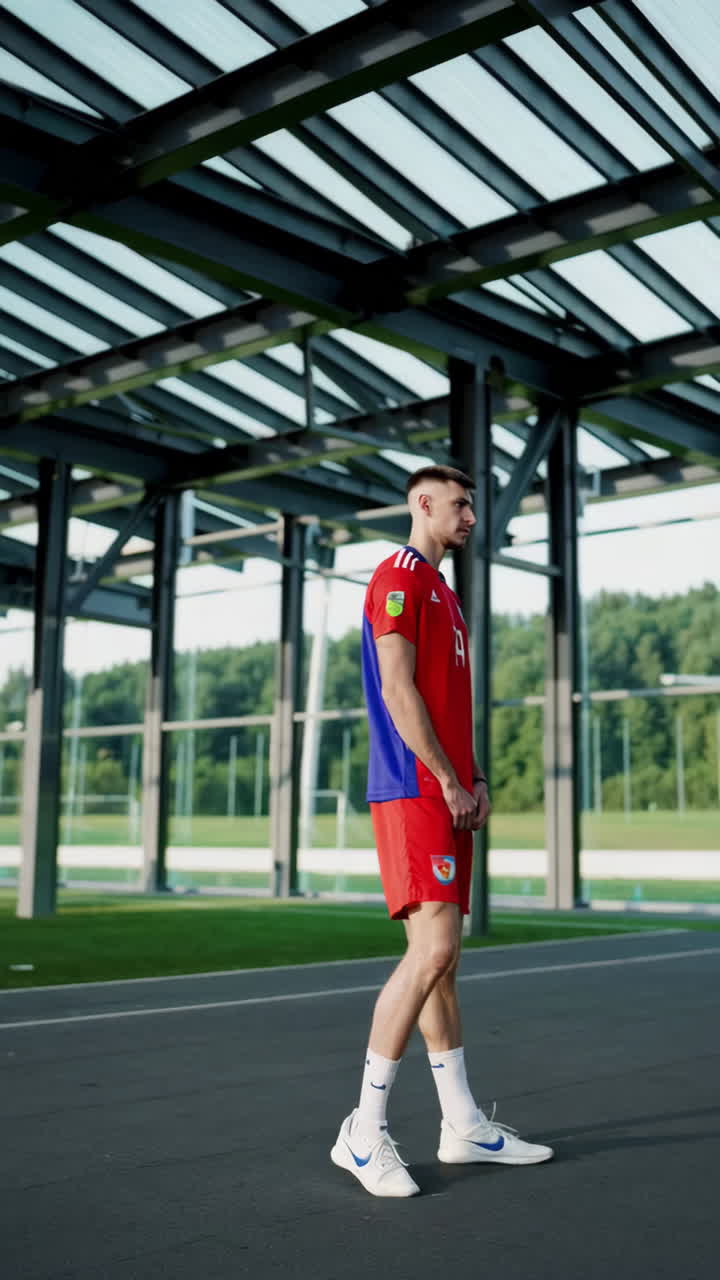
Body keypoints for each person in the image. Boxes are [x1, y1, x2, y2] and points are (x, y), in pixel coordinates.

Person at [331, 465, 553, 1197]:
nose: (470, 518)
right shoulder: (397, 577)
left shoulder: (445, 594)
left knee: (443, 963)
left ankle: (461, 1125)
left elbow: (450, 702)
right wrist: (448, 780)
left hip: (448, 790)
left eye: (471, 507)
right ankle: (362, 1131)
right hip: (413, 789)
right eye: (459, 505)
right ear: (422, 504)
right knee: (432, 951)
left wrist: (475, 774)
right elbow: (398, 689)